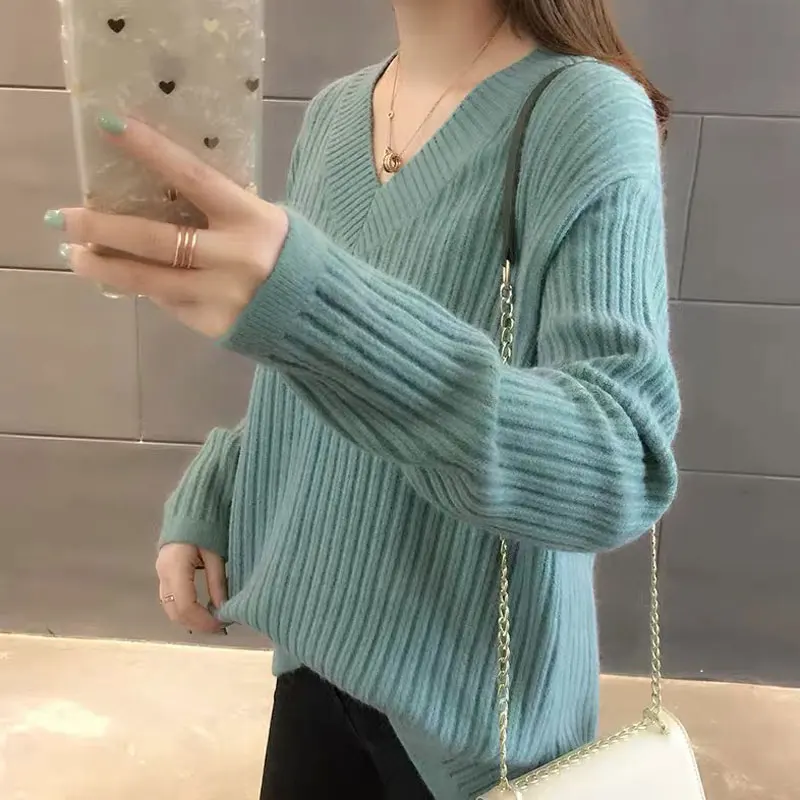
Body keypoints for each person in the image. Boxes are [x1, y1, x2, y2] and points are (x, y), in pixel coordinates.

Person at [46, 0, 680, 796]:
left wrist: (311, 302)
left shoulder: (583, 109)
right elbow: (320, 370)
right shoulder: (339, 113)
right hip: (317, 654)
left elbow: (619, 465)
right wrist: (225, 488)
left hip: (469, 720)